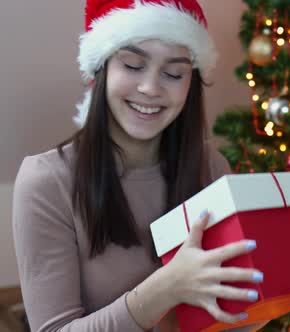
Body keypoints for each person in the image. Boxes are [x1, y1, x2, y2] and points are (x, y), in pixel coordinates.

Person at [11, 0, 273, 331]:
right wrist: (165, 289)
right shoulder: (47, 181)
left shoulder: (211, 167)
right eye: (133, 65)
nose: (150, 88)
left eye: (173, 73)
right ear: (102, 69)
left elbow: (232, 320)